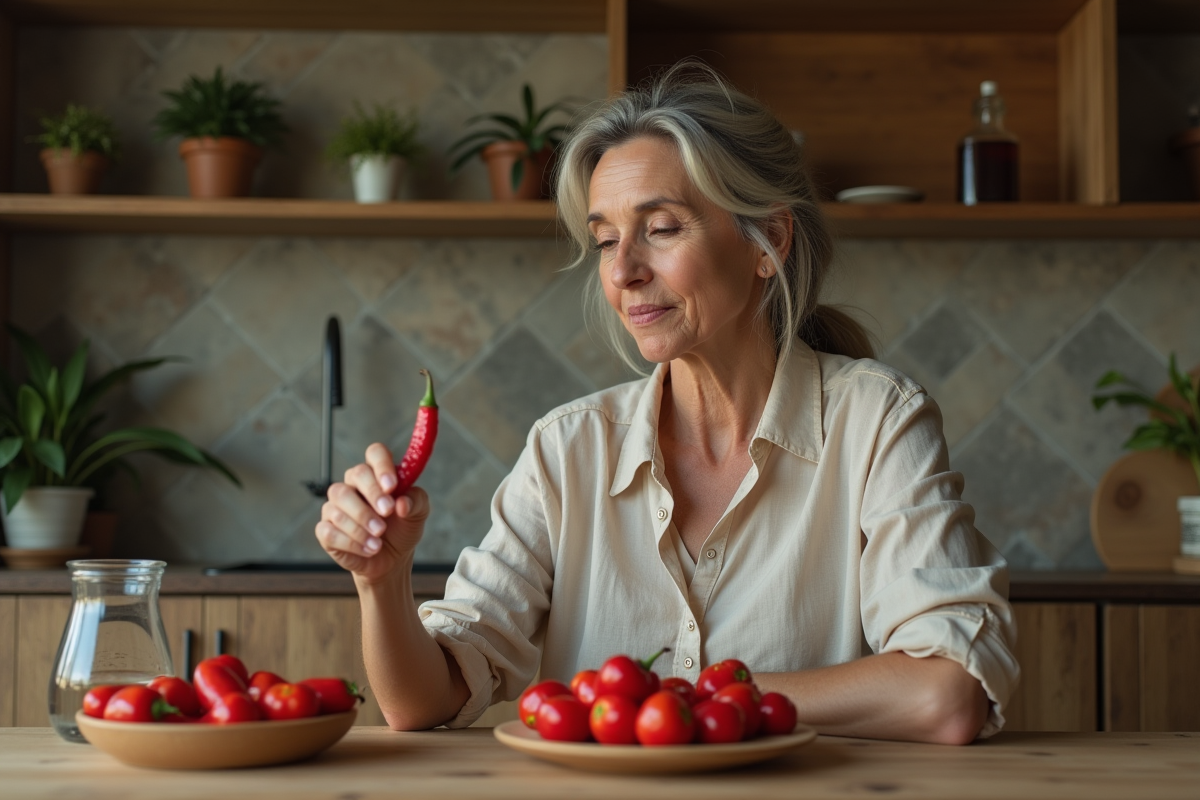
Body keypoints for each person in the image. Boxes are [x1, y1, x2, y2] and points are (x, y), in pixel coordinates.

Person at [315, 64, 1018, 745]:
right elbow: (421, 705)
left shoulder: (879, 423)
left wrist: (687, 700)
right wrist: (382, 580)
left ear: (767, 242)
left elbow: (947, 693)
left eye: (663, 227)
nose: (622, 272)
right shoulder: (568, 449)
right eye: (606, 240)